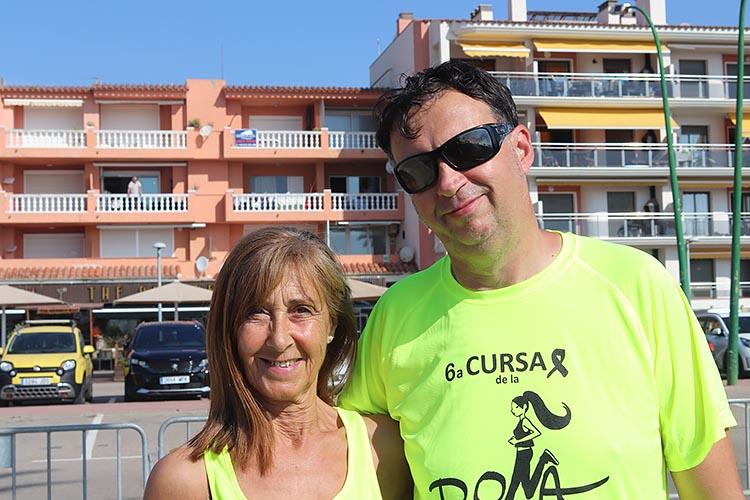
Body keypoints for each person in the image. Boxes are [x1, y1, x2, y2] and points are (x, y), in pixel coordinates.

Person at [340, 60, 743, 499]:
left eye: (470, 148)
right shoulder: (395, 316)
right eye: (418, 171)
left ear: (521, 148)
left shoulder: (637, 286)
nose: (449, 182)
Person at [144, 227, 411, 499]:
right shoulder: (184, 481)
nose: (279, 339)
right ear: (230, 331)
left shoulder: (381, 449)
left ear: (332, 324)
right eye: (256, 313)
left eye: (301, 310)